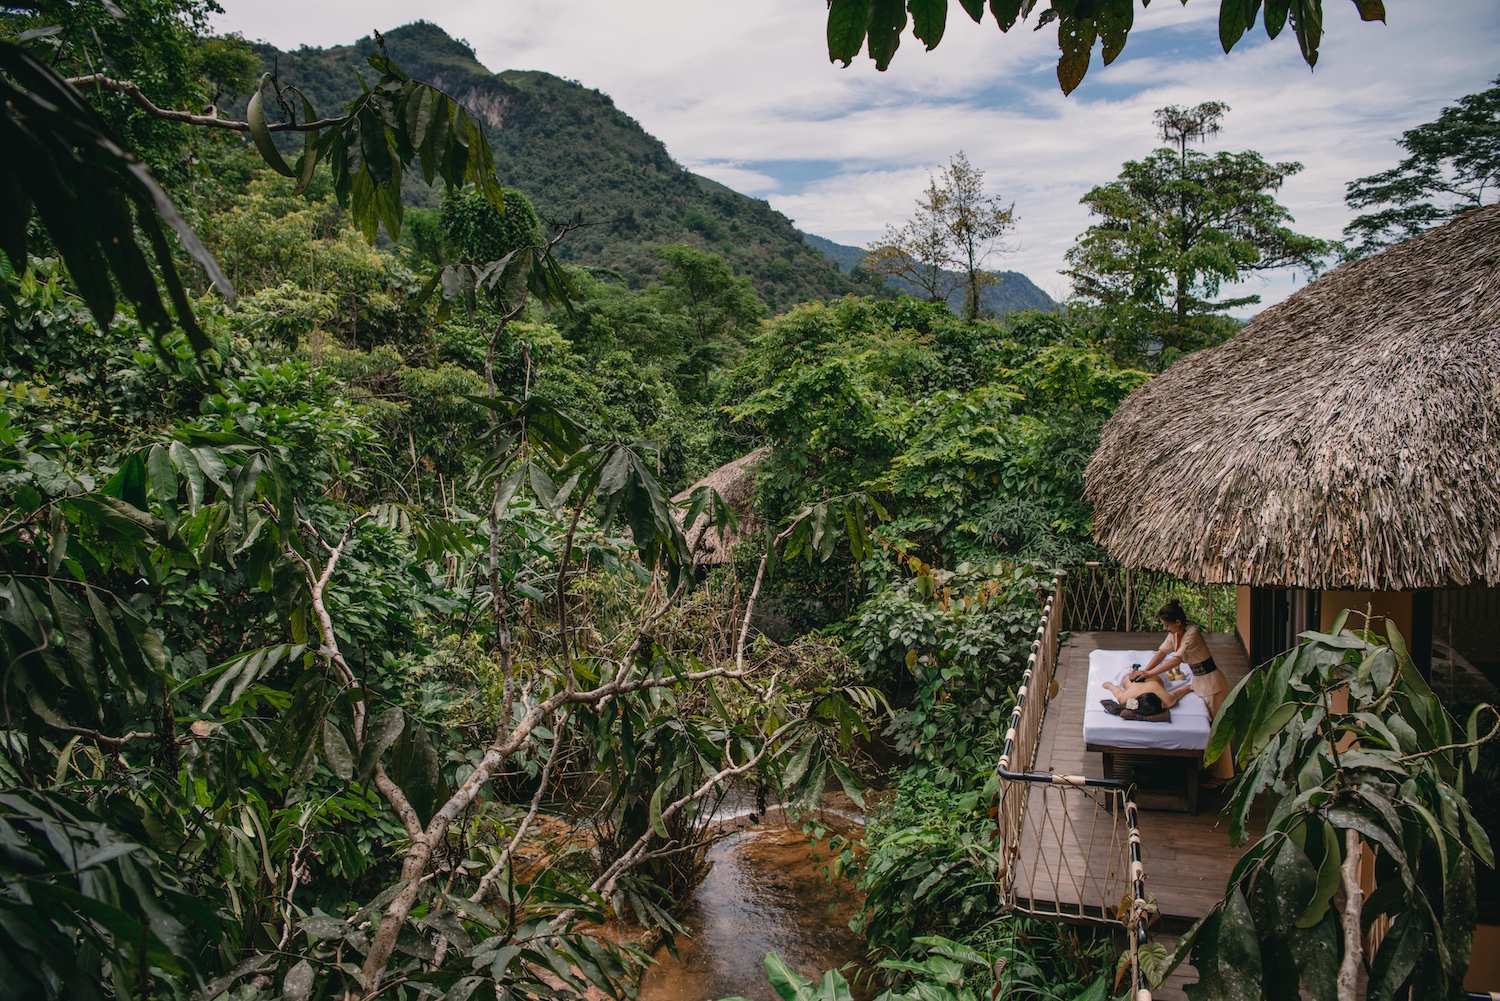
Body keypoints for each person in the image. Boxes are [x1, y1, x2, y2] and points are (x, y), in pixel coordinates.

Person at [1127, 599, 1234, 786]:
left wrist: (1150, 673)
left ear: (1177, 622)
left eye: (1166, 625)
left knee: (1218, 728)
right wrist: (1144, 670)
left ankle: (1223, 776)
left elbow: (1175, 660)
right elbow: (1161, 653)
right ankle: (1208, 765)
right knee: (1211, 725)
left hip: (1212, 683)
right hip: (1198, 680)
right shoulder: (1176, 633)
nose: (1165, 628)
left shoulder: (1191, 633)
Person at [1100, 675, 1189, 716]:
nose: (1165, 705)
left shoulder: (1167, 700)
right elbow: (1117, 691)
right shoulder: (1125, 699)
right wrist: (1109, 686)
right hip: (1136, 676)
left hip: (1132, 676)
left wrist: (1187, 688)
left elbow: (1178, 693)